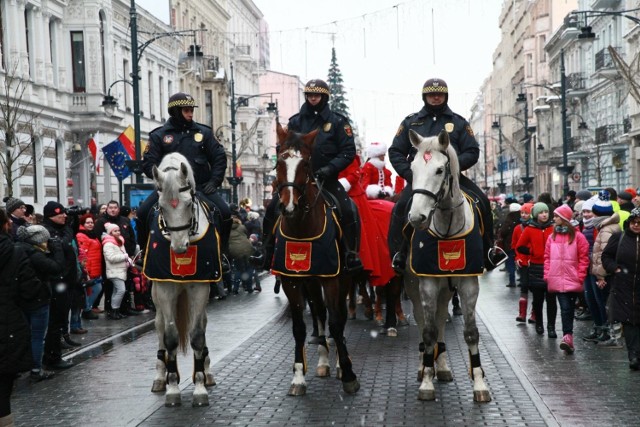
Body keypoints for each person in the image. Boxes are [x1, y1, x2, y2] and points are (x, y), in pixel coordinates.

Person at [387, 78, 505, 272]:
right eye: (431, 95)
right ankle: (400, 252)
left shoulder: (458, 122)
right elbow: (395, 151)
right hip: (422, 182)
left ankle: (489, 250)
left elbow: (472, 151)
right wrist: (411, 174)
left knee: (482, 201)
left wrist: (453, 167)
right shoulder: (411, 122)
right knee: (400, 208)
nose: (435, 97)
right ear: (425, 97)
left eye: (439, 94)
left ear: (445, 96)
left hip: (453, 178)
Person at [253, 79, 363, 273]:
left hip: (326, 180)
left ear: (324, 97)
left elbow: (347, 151)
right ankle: (266, 251)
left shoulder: (338, 121)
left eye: (317, 95)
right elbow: (284, 148)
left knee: (348, 209)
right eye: (310, 95)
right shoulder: (296, 121)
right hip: (298, 181)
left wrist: (329, 169)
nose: (313, 98)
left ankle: (350, 254)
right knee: (271, 210)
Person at [139, 92, 230, 272]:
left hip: (202, 187)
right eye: (186, 110)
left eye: (191, 110)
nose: (190, 114)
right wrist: (162, 181)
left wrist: (215, 181)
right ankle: (144, 253)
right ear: (175, 111)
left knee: (225, 212)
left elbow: (219, 157)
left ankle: (222, 254)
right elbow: (148, 163)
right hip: (169, 189)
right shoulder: (159, 136)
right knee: (142, 213)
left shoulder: (203, 133)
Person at [0, 208, 47, 426]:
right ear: (5, 225)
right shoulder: (16, 253)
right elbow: (30, 291)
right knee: (3, 388)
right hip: (7, 325)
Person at [14, 225, 61, 381]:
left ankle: (20, 367)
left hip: (21, 298)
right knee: (37, 336)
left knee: (24, 334)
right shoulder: (35, 254)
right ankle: (36, 369)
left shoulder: (16, 249)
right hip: (37, 299)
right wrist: (57, 250)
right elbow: (55, 268)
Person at [544, 205, 590, 354]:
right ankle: (567, 336)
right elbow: (547, 258)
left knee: (568, 308)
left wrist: (580, 276)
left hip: (573, 279)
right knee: (565, 308)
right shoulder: (552, 237)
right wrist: (548, 274)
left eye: (557, 216)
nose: (554, 219)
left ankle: (568, 336)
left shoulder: (578, 237)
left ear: (564, 218)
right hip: (557, 279)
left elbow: (584, 258)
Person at [41, 201, 80, 369]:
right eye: (60, 215)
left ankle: (54, 354)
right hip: (57, 282)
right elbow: (62, 245)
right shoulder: (46, 232)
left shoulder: (63, 228)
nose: (65, 216)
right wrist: (67, 233)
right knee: (55, 322)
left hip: (67, 281)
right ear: (51, 217)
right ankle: (52, 357)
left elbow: (71, 231)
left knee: (61, 319)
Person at [601, 207, 640, 370]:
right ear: (629, 222)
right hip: (624, 285)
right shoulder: (619, 237)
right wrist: (614, 268)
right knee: (630, 321)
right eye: (634, 222)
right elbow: (606, 256)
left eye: (639, 223)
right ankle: (634, 355)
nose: (637, 225)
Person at [515, 202, 556, 337]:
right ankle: (539, 324)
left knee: (551, 300)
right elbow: (519, 246)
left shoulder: (554, 228)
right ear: (536, 214)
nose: (544, 215)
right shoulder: (529, 229)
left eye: (546, 212)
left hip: (551, 267)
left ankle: (551, 327)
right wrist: (532, 251)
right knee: (538, 300)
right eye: (541, 212)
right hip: (536, 268)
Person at [589, 191, 622, 346]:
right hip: (604, 274)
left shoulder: (607, 230)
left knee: (608, 305)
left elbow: (604, 254)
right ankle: (609, 333)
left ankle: (612, 336)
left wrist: (601, 276)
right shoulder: (605, 227)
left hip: (606, 275)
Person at [101, 223, 133, 320]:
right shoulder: (108, 243)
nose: (118, 232)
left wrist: (128, 260)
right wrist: (125, 257)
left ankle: (115, 311)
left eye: (118, 230)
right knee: (121, 290)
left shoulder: (119, 241)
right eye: (115, 231)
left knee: (116, 291)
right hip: (114, 271)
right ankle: (114, 310)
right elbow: (111, 258)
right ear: (110, 232)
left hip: (119, 270)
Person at [76, 214, 103, 321]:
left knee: (96, 289)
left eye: (92, 222)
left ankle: (88, 309)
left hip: (96, 267)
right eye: (88, 222)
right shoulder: (81, 235)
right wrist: (86, 270)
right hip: (89, 269)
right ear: (83, 223)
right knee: (92, 290)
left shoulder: (92, 234)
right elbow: (83, 255)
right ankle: (86, 310)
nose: (90, 224)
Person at [513, 203, 534, 322]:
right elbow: (515, 245)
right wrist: (517, 258)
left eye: (526, 213)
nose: (524, 215)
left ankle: (534, 313)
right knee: (524, 286)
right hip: (523, 262)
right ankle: (522, 313)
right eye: (522, 213)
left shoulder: (534, 227)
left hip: (534, 261)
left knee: (535, 288)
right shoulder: (517, 228)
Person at [498, 202, 521, 287]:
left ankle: (512, 281)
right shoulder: (522, 218)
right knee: (521, 262)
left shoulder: (509, 218)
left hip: (510, 244)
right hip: (521, 245)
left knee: (511, 262)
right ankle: (522, 279)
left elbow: (503, 232)